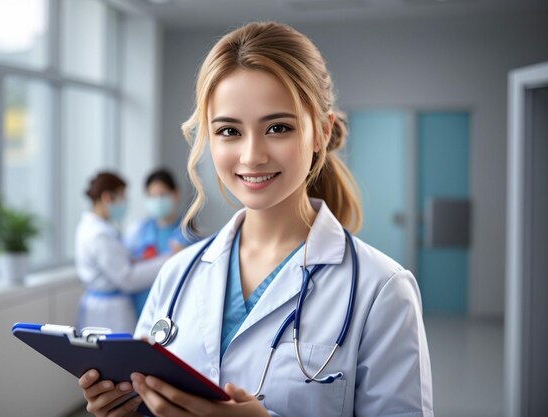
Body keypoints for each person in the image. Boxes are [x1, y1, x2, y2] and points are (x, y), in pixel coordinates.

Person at [78, 22, 433, 417]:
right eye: (229, 131)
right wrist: (126, 409)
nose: (252, 155)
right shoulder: (177, 275)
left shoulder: (381, 290)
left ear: (321, 132)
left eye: (278, 128)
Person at [75, 171, 170, 333]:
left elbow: (119, 264)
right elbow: (128, 278)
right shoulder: (99, 234)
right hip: (109, 313)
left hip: (104, 307)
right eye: (122, 197)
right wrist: (168, 260)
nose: (125, 203)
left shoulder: (95, 228)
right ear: (107, 198)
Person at [124, 168, 195, 318]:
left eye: (162, 195)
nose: (157, 200)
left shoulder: (188, 234)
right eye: (152, 196)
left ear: (175, 194)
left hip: (174, 308)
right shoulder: (138, 231)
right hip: (141, 307)